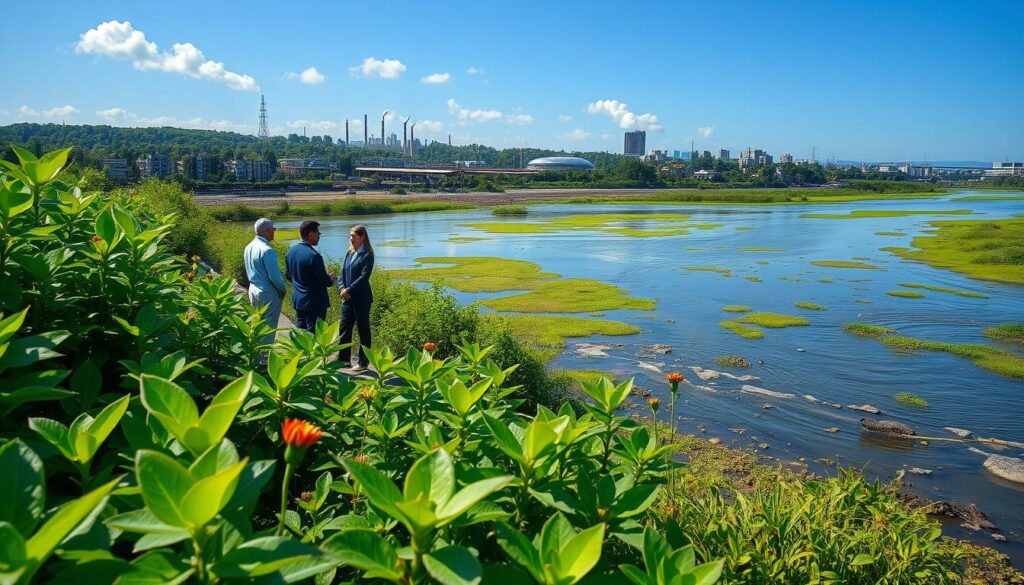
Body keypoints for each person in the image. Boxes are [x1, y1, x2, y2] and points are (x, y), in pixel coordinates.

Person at [243, 217, 287, 348]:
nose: (274, 232)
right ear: (267, 231)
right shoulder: (267, 250)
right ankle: (264, 358)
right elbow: (275, 276)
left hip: (253, 289)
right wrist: (283, 290)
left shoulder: (249, 247)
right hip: (267, 293)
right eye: (273, 229)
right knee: (269, 327)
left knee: (257, 324)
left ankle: (256, 353)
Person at [285, 220, 335, 332]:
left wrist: (301, 282)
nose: (319, 236)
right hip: (315, 303)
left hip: (299, 300)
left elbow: (288, 275)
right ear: (311, 235)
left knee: (300, 333)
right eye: (318, 233)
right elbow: (323, 281)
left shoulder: (291, 252)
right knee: (314, 335)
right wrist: (330, 279)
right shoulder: (314, 256)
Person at [338, 224, 374, 369]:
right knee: (344, 328)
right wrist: (341, 288)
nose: (350, 239)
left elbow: (364, 277)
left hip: (361, 299)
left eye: (354, 236)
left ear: (362, 237)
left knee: (362, 329)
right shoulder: (349, 253)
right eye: (350, 236)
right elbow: (342, 274)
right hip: (346, 298)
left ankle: (363, 361)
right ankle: (344, 359)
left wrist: (349, 290)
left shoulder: (367, 255)